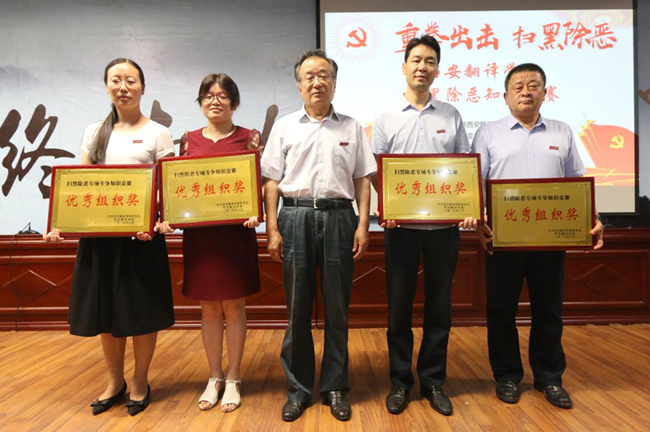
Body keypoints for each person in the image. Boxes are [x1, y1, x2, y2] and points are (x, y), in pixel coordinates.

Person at [43, 58, 175, 416]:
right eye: (116, 80)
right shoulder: (94, 132)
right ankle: (114, 381)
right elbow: (82, 185)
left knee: (142, 312)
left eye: (131, 80)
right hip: (100, 238)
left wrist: (149, 217)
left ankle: (140, 380)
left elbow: (165, 188)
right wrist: (61, 223)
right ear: (106, 86)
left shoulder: (157, 132)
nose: (123, 87)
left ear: (143, 87)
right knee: (107, 311)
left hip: (141, 238)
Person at [469, 63, 604, 409]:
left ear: (545, 93)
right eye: (518, 87)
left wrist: (594, 218)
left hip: (550, 238)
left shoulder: (562, 132)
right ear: (505, 96)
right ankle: (507, 376)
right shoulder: (488, 133)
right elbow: (476, 184)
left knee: (549, 310)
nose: (526, 92)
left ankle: (549, 377)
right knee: (501, 311)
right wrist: (480, 222)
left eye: (533, 85)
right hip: (503, 239)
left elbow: (576, 183)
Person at [261, 49, 375, 422]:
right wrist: (272, 228)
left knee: (337, 308)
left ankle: (335, 386)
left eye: (324, 75)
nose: (317, 82)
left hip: (340, 218)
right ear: (299, 85)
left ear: (334, 83)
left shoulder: (352, 127)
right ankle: (298, 389)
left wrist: (363, 225)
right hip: (294, 217)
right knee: (297, 308)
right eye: (309, 76)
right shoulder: (284, 127)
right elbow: (271, 181)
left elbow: (362, 179)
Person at [370, 35, 471, 416]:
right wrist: (388, 206)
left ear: (437, 70)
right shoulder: (386, 116)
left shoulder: (451, 114)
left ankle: (432, 381)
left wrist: (467, 207)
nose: (422, 67)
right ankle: (400, 381)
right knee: (399, 307)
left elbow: (464, 166)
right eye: (416, 60)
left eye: (430, 61)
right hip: (401, 229)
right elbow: (377, 170)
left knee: (439, 308)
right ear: (404, 66)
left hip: (444, 230)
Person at [176, 73, 261, 413]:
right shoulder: (189, 140)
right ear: (200, 102)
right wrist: (171, 215)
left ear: (234, 103)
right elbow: (178, 186)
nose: (215, 101)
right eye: (208, 95)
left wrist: (255, 210)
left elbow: (259, 182)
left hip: (235, 236)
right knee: (209, 308)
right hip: (201, 239)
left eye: (223, 95)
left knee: (234, 307)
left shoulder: (249, 138)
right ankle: (214, 376)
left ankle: (235, 378)